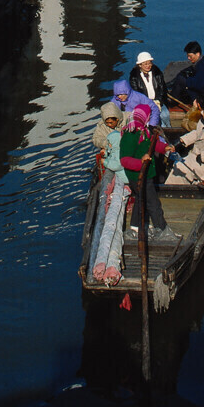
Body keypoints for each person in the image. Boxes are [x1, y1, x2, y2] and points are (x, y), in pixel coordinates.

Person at [119, 104, 178, 242]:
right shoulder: (131, 134)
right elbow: (125, 160)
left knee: (141, 199)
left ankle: (135, 228)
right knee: (153, 203)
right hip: (138, 176)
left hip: (147, 174)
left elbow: (153, 144)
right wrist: (141, 162)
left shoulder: (144, 131)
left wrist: (166, 148)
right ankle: (162, 229)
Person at [90, 104, 128, 285]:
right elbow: (97, 140)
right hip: (112, 158)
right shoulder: (101, 128)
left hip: (120, 162)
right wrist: (109, 144)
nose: (111, 123)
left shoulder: (126, 121)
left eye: (113, 120)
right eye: (108, 121)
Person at [167, 41, 204, 110]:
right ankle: (174, 96)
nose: (188, 58)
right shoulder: (203, 62)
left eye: (190, 56)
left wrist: (186, 80)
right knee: (182, 79)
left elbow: (198, 84)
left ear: (197, 54)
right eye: (188, 56)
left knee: (180, 79)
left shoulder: (202, 67)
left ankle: (172, 101)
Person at [129, 51, 170, 126]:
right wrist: (149, 104)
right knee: (156, 120)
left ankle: (169, 129)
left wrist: (159, 101)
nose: (148, 66)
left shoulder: (157, 73)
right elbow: (137, 94)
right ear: (140, 65)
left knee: (165, 115)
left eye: (150, 63)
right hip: (145, 103)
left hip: (158, 101)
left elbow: (162, 89)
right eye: (145, 64)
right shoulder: (134, 77)